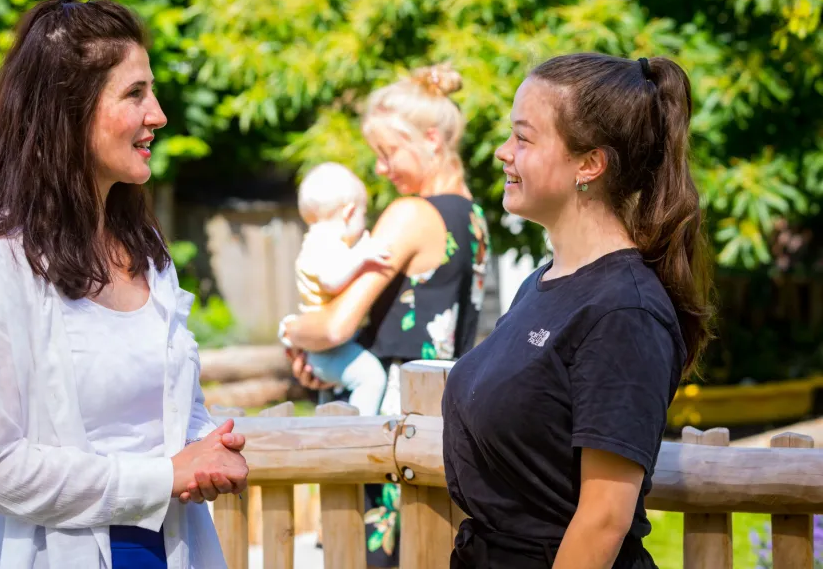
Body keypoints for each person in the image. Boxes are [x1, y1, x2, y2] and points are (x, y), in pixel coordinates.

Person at [0, 0, 248, 569]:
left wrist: (210, 446)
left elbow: (172, 409)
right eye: (134, 93)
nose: (158, 114)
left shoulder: (149, 256)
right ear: (68, 111)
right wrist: (162, 477)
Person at [442, 53, 714, 568]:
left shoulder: (625, 312)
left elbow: (603, 520)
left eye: (524, 138)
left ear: (589, 164)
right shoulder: (541, 285)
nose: (503, 153)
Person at [281, 63, 491, 566]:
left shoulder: (411, 215)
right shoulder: (476, 220)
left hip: (387, 432)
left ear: (432, 140)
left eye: (387, 152)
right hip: (444, 423)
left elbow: (335, 325)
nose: (380, 168)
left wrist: (291, 331)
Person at [279, 162, 391, 417]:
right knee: (371, 376)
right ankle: (360, 431)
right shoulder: (325, 243)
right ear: (350, 213)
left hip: (322, 350)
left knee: (330, 402)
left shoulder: (320, 240)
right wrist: (363, 256)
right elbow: (331, 280)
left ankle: (335, 426)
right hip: (327, 349)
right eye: (364, 214)